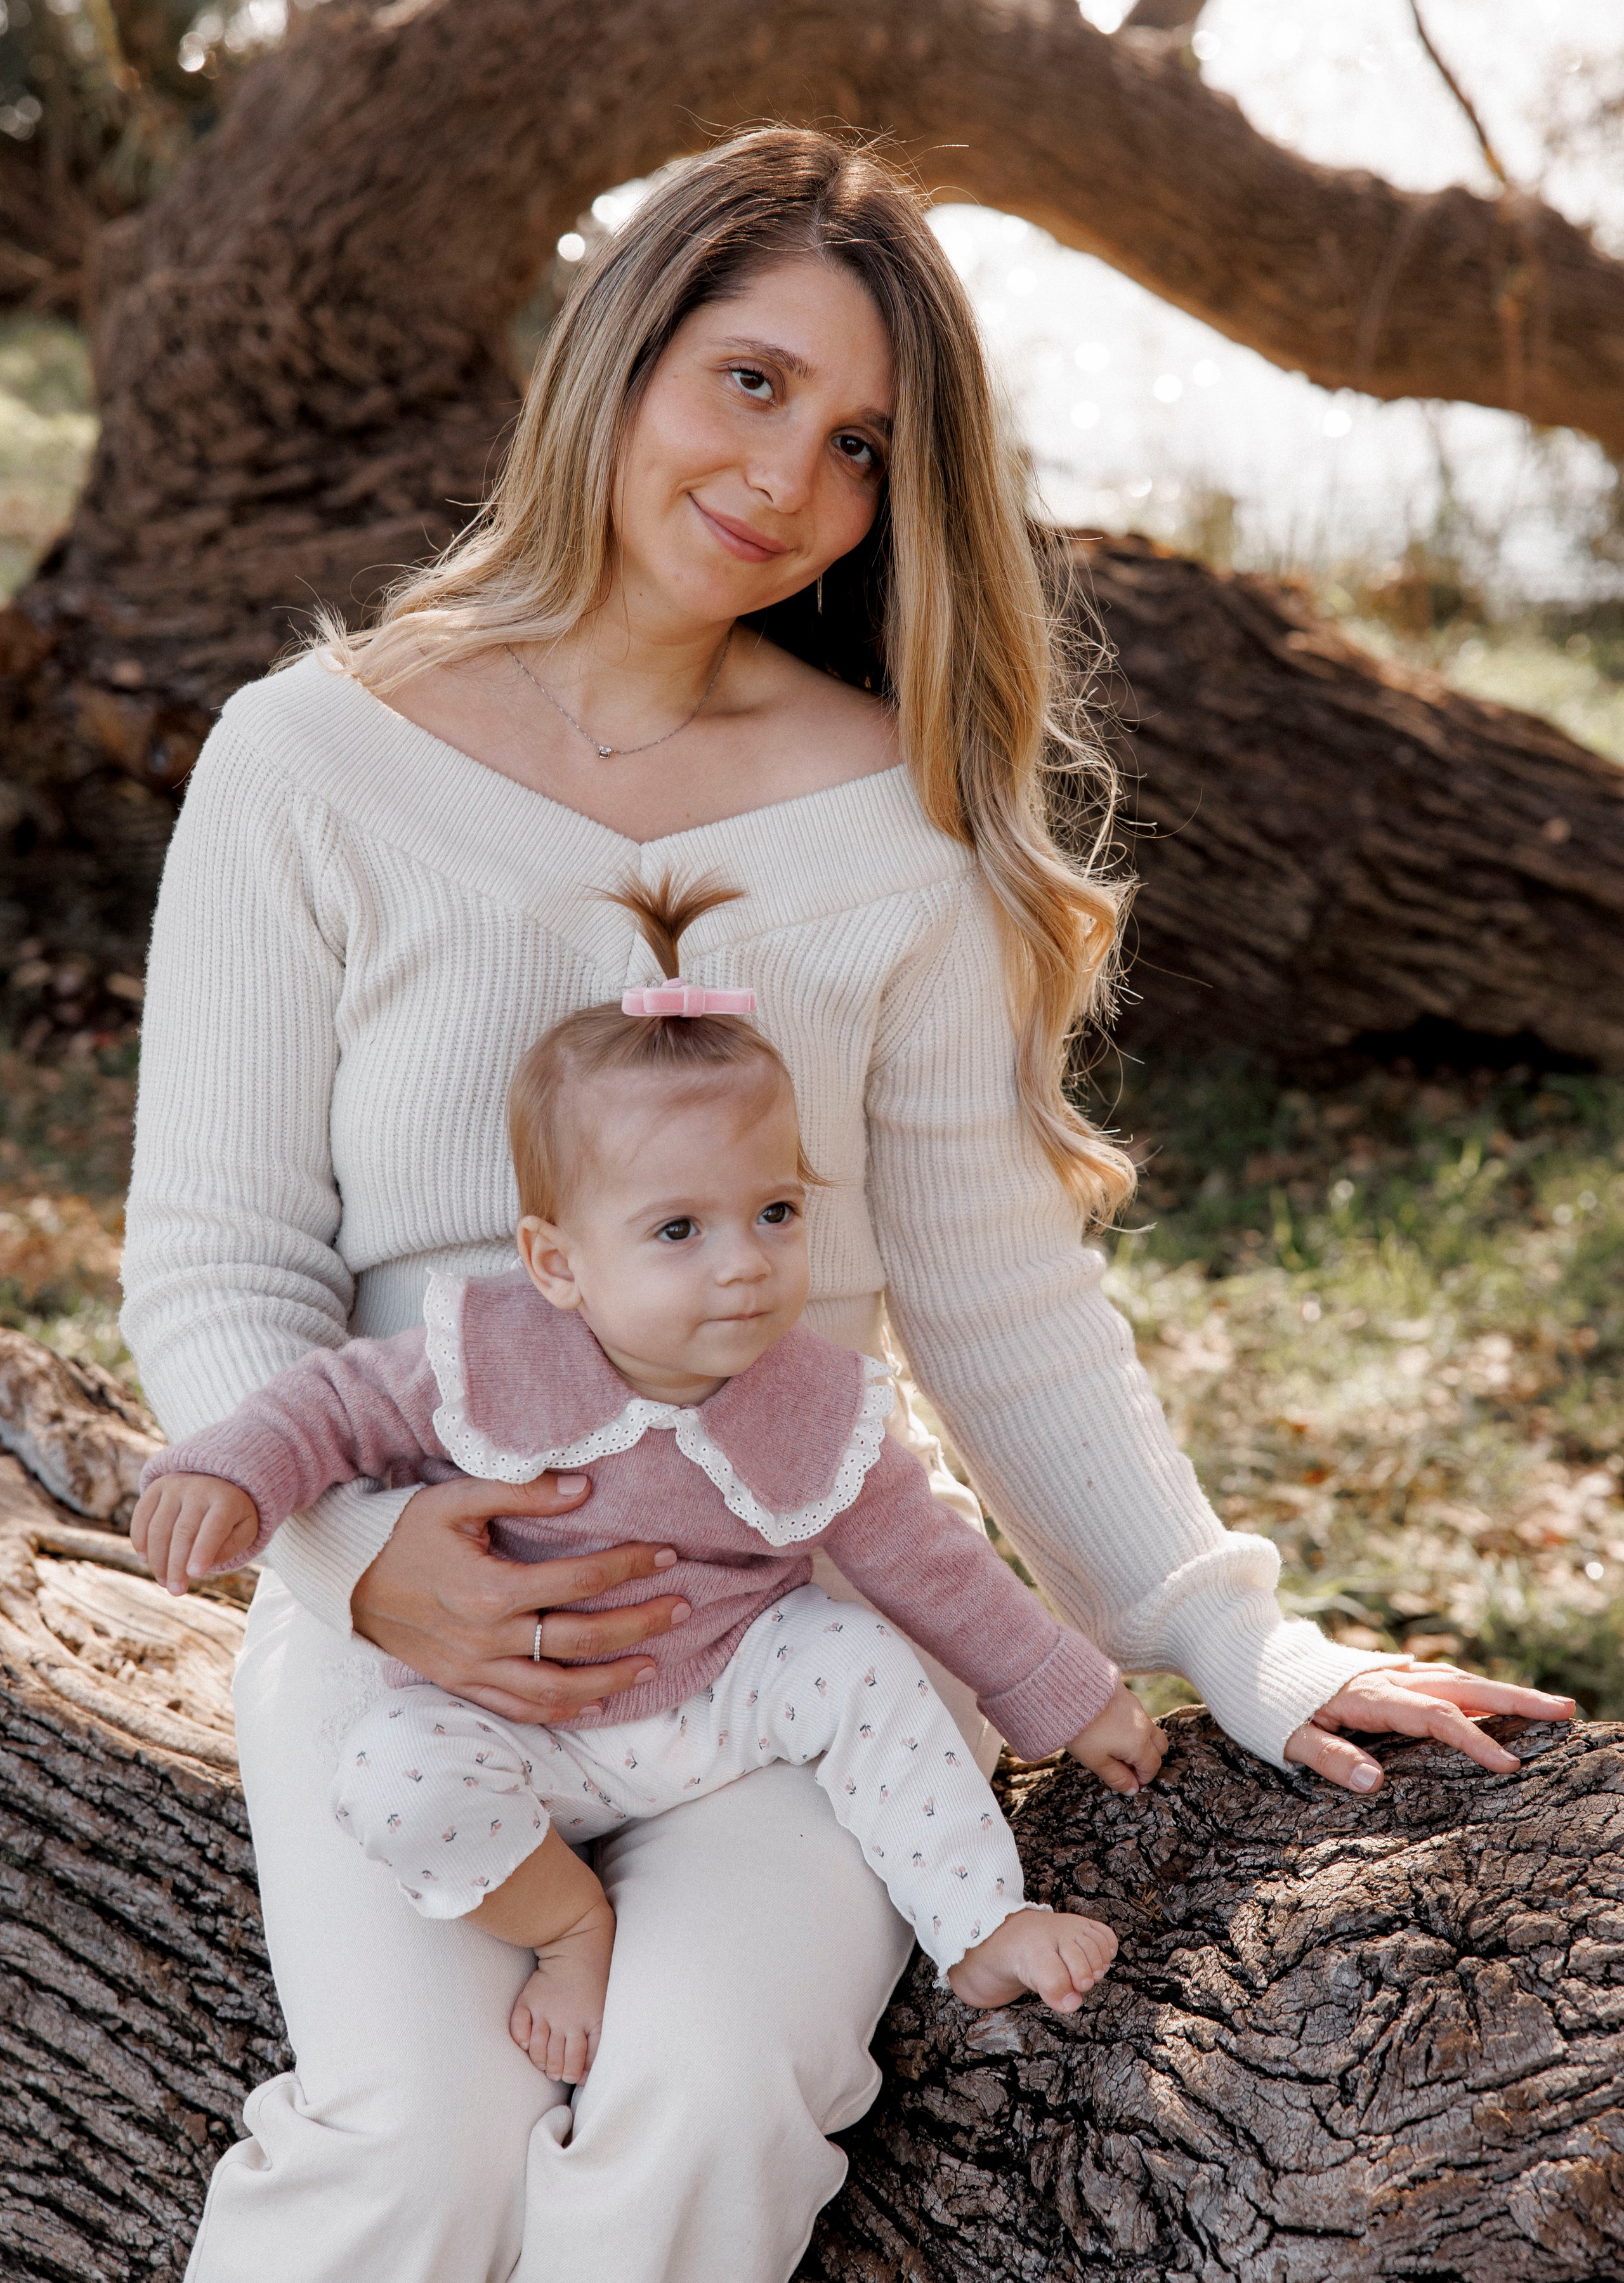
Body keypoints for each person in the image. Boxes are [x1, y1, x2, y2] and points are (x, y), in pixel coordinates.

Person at [120, 126, 1573, 2283]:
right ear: (622, 357)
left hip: (789, 1643)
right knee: (411, 2152)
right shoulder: (307, 763)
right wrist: (358, 1565)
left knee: (704, 2113)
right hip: (411, 1637)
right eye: (753, 382)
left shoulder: (894, 821)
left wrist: (1232, 1636)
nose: (792, 475)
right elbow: (219, 1259)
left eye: (863, 442)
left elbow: (999, 1295)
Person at [134, 870, 1162, 2081]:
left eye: (776, 1212)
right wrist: (234, 1474)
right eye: (680, 1230)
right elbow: (328, 1408)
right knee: (393, 1773)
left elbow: (933, 1566)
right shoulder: (488, 1353)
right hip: (513, 1714)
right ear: (556, 1262)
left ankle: (981, 1923)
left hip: (727, 1693)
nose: (745, 1266)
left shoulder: (810, 1398)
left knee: (858, 1656)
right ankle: (566, 1924)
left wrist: (1070, 1696)